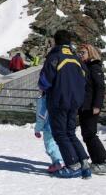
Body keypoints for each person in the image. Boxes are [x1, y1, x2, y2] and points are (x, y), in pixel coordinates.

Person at [38, 29, 91, 179]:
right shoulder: (76, 58)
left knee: (60, 133)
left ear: (56, 41)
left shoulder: (55, 57)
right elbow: (86, 79)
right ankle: (84, 163)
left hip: (59, 100)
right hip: (75, 101)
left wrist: (46, 89)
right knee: (70, 132)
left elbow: (44, 81)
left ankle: (72, 165)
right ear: (69, 42)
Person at [77, 43, 106, 175]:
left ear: (90, 53)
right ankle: (97, 162)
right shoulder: (85, 67)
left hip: (91, 107)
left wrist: (97, 105)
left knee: (90, 134)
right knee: (86, 135)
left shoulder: (94, 66)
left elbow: (100, 87)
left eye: (83, 53)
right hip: (84, 106)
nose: (81, 55)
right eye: (80, 53)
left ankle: (103, 161)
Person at [35, 92, 65, 173]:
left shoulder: (43, 100)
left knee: (50, 145)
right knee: (58, 144)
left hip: (49, 127)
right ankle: (58, 161)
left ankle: (59, 162)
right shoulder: (58, 97)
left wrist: (37, 129)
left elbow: (41, 116)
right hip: (60, 125)